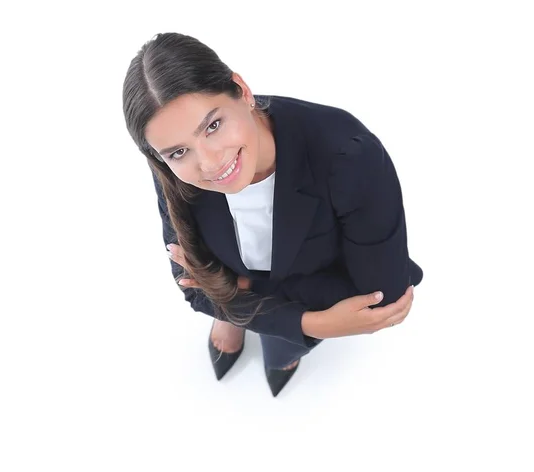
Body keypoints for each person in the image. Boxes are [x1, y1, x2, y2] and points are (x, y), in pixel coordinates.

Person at [121, 32, 423, 397]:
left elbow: (382, 301)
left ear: (242, 91)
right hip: (297, 295)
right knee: (232, 307)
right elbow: (192, 291)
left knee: (282, 344)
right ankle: (236, 321)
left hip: (285, 279)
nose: (210, 162)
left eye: (214, 125)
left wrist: (233, 289)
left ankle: (268, 339)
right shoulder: (175, 167)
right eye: (179, 152)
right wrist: (314, 321)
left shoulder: (349, 155)